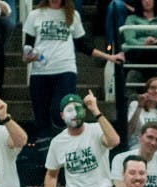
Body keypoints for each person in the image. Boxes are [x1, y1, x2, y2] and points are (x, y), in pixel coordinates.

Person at [23, 0, 124, 140]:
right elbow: (27, 48)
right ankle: (44, 148)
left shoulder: (72, 14)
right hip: (40, 72)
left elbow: (83, 46)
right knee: (41, 118)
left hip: (65, 70)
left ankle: (65, 142)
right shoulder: (35, 15)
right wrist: (29, 56)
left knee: (59, 110)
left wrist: (109, 57)